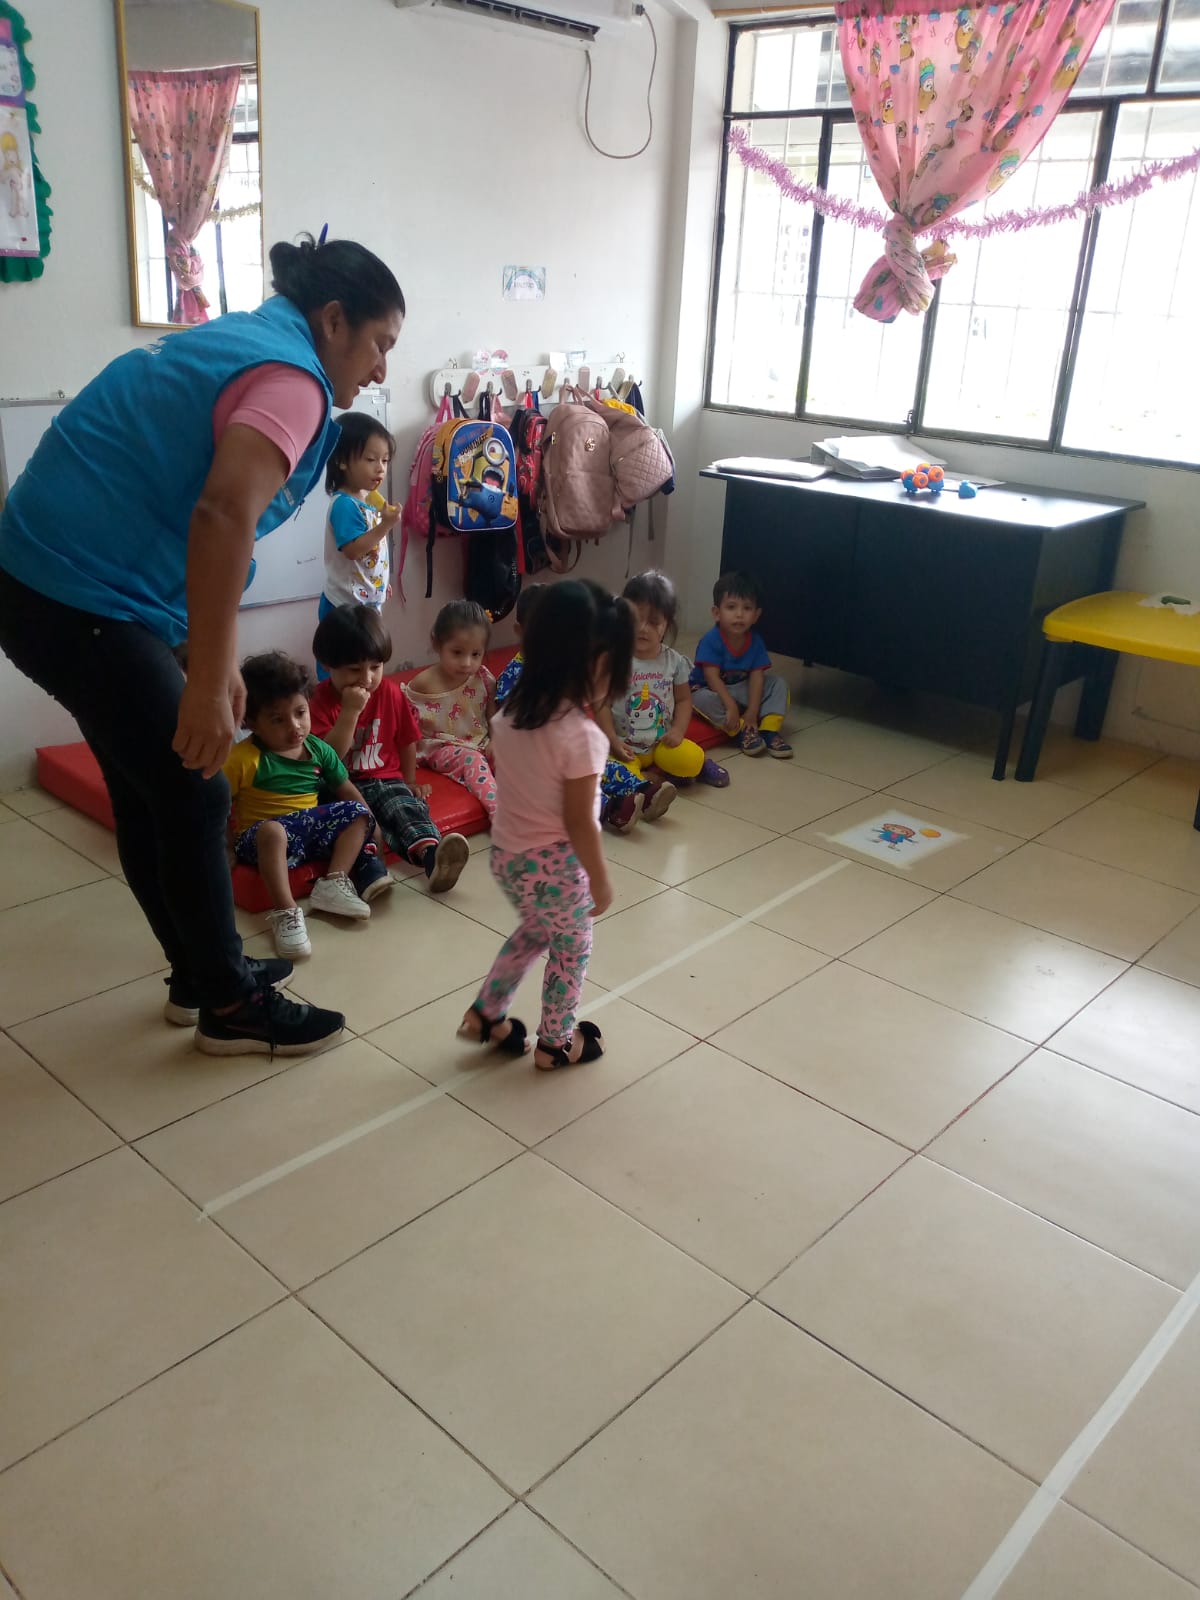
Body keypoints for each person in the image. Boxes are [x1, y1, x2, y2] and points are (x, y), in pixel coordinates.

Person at [0, 233, 405, 1054]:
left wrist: (194, 653)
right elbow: (221, 516)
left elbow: (183, 499)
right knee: (196, 788)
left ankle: (199, 974)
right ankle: (229, 1005)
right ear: (334, 320)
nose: (381, 368)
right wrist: (210, 679)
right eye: (379, 343)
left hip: (47, 581)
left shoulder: (255, 340)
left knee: (151, 786)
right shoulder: (294, 381)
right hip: (72, 592)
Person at [458, 579, 633, 1069]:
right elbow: (579, 822)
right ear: (598, 664)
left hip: (508, 855)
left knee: (536, 930)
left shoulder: (511, 713)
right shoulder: (581, 736)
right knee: (573, 947)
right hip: (555, 865)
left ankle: (485, 1014)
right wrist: (599, 877)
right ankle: (556, 1043)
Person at [224, 652, 385, 965]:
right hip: (262, 838)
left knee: (357, 811)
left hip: (309, 832)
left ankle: (333, 882)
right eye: (278, 720)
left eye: (300, 712)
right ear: (252, 723)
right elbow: (217, 804)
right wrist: (227, 846)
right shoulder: (244, 759)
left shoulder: (318, 749)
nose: (295, 726)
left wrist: (372, 824)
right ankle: (286, 912)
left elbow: (346, 789)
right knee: (273, 832)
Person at [310, 602, 470, 893]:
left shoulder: (391, 693)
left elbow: (406, 739)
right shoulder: (318, 702)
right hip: (339, 785)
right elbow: (327, 759)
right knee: (350, 822)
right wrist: (350, 712)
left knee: (403, 807)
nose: (367, 679)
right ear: (326, 665)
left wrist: (410, 780)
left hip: (384, 779)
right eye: (354, 670)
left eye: (375, 667)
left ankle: (433, 858)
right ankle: (370, 871)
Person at [496, 581, 675, 834]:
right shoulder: (514, 674)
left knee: (602, 763)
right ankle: (613, 809)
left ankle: (644, 792)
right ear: (521, 630)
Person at [596, 570, 730, 793]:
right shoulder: (613, 660)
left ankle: (697, 766)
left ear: (667, 624)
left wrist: (677, 730)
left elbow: (684, 700)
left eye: (654, 622)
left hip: (662, 745)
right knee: (611, 772)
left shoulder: (674, 662)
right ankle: (651, 778)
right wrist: (612, 741)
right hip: (623, 746)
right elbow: (601, 703)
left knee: (690, 758)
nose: (643, 628)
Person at [315, 412, 398, 681]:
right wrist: (385, 526)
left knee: (366, 661)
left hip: (366, 601)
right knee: (341, 664)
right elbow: (353, 550)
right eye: (371, 460)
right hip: (344, 606)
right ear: (341, 460)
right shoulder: (345, 504)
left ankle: (361, 698)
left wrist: (380, 582)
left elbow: (374, 552)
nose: (380, 469)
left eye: (385, 460)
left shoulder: (367, 498)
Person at [403, 600, 498, 820]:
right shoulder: (423, 685)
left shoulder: (483, 678)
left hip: (480, 741)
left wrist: (496, 741)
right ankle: (500, 814)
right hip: (442, 747)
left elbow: (492, 716)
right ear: (437, 644)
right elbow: (405, 726)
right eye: (457, 652)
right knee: (472, 760)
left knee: (508, 755)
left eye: (476, 654)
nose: (466, 663)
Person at [690, 570, 793, 758]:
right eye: (731, 607)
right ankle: (740, 730)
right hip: (713, 690)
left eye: (747, 608)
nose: (739, 615)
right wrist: (730, 706)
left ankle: (768, 731)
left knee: (778, 684)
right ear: (717, 613)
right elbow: (711, 677)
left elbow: (757, 677)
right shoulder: (711, 640)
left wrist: (753, 711)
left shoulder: (756, 642)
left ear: (756, 615)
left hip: (740, 690)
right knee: (699, 699)